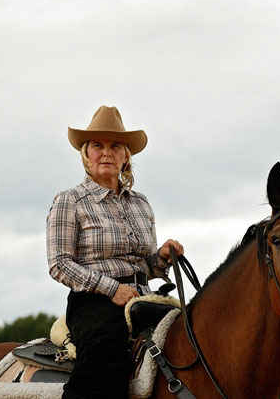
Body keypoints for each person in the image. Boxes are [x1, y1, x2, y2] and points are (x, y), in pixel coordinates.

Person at [46, 105, 184, 399]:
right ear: (86, 154)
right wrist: (111, 289)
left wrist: (162, 257)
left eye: (115, 146)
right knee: (107, 346)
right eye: (98, 145)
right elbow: (59, 263)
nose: (106, 152)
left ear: (125, 156)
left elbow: (148, 265)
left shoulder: (141, 203)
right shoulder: (70, 200)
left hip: (143, 297)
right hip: (93, 301)